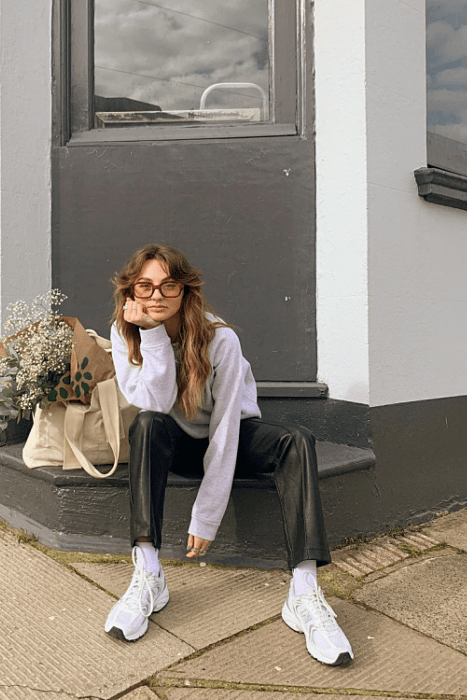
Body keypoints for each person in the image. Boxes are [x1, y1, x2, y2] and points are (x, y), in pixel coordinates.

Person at [103, 243, 353, 667]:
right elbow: (157, 403)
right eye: (145, 286)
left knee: (297, 439)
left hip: (235, 435)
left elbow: (224, 428)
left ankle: (304, 590)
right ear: (131, 292)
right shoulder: (124, 331)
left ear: (186, 290)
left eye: (169, 285)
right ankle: (149, 571)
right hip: (175, 437)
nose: (157, 295)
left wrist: (206, 514)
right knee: (145, 425)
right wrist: (152, 336)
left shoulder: (221, 339)